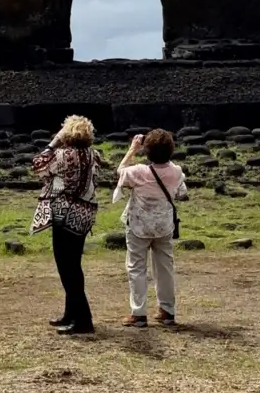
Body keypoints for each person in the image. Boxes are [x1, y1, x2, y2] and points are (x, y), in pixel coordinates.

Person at [30, 114, 101, 335]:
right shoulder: (94, 155)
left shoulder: (61, 155)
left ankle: (83, 319)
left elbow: (38, 166)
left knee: (67, 268)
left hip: (64, 213)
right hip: (84, 215)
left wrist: (53, 143)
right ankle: (71, 312)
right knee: (73, 265)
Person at [112, 128, 188, 328]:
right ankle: (167, 310)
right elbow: (182, 192)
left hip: (139, 224)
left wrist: (132, 150)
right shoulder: (176, 171)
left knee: (136, 267)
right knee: (165, 268)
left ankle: (138, 313)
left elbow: (120, 172)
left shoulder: (138, 171)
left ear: (147, 151)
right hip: (164, 225)